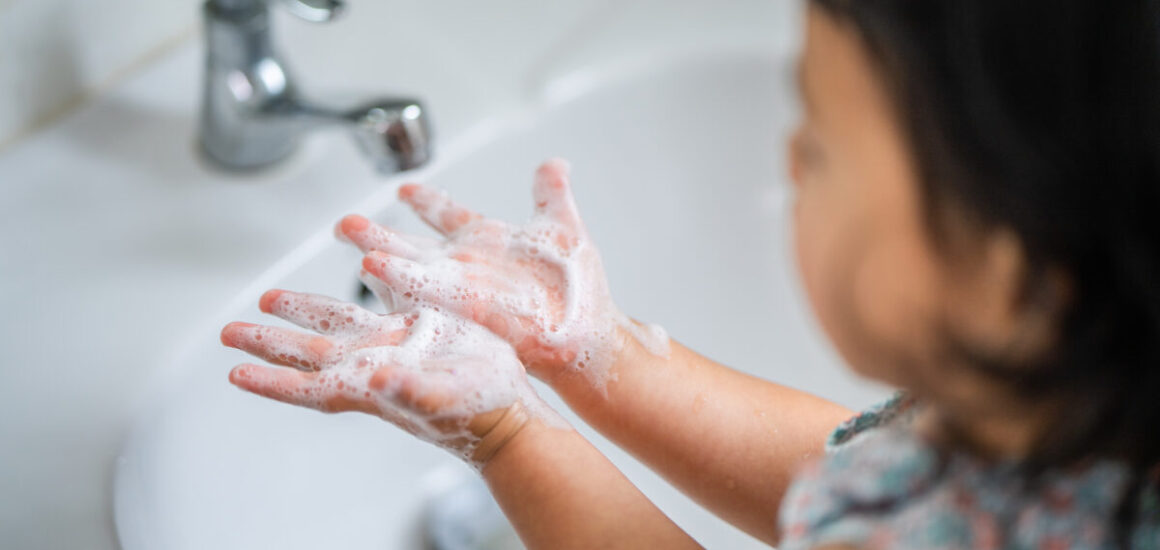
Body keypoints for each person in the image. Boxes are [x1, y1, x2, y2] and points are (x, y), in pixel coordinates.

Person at [219, 1, 1160, 548]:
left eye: (822, 146)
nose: (789, 160)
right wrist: (603, 356)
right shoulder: (1082, 425)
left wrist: (507, 436)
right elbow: (858, 479)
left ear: (1009, 276)